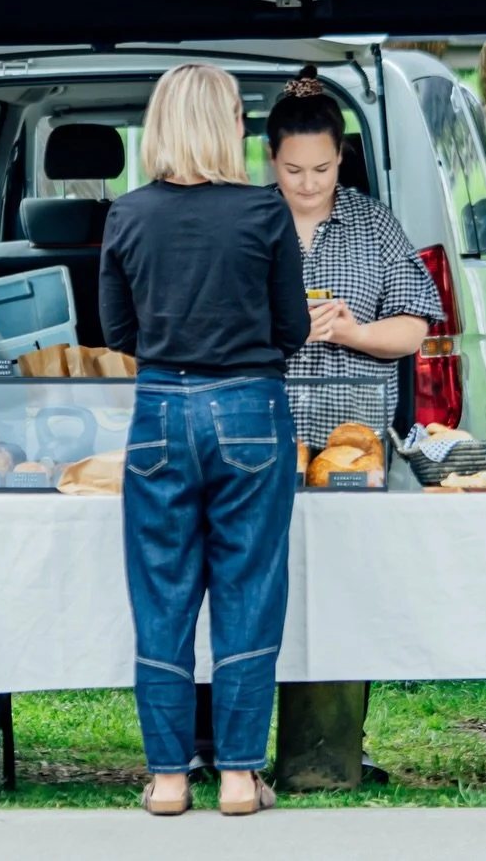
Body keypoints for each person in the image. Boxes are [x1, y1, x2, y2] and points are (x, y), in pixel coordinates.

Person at [100, 63, 311, 817]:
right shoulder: (264, 211)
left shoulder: (126, 213)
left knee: (162, 589)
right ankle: (237, 776)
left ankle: (165, 778)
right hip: (251, 408)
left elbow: (117, 331)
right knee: (248, 587)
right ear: (228, 127)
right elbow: (291, 328)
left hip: (158, 409)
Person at [272, 67, 442, 451]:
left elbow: (414, 327)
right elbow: (215, 328)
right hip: (265, 440)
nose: (309, 184)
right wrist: (280, 333)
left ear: (339, 155)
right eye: (293, 170)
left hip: (355, 445)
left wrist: (356, 334)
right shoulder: (249, 224)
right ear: (271, 157)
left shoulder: (374, 223)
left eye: (322, 169)